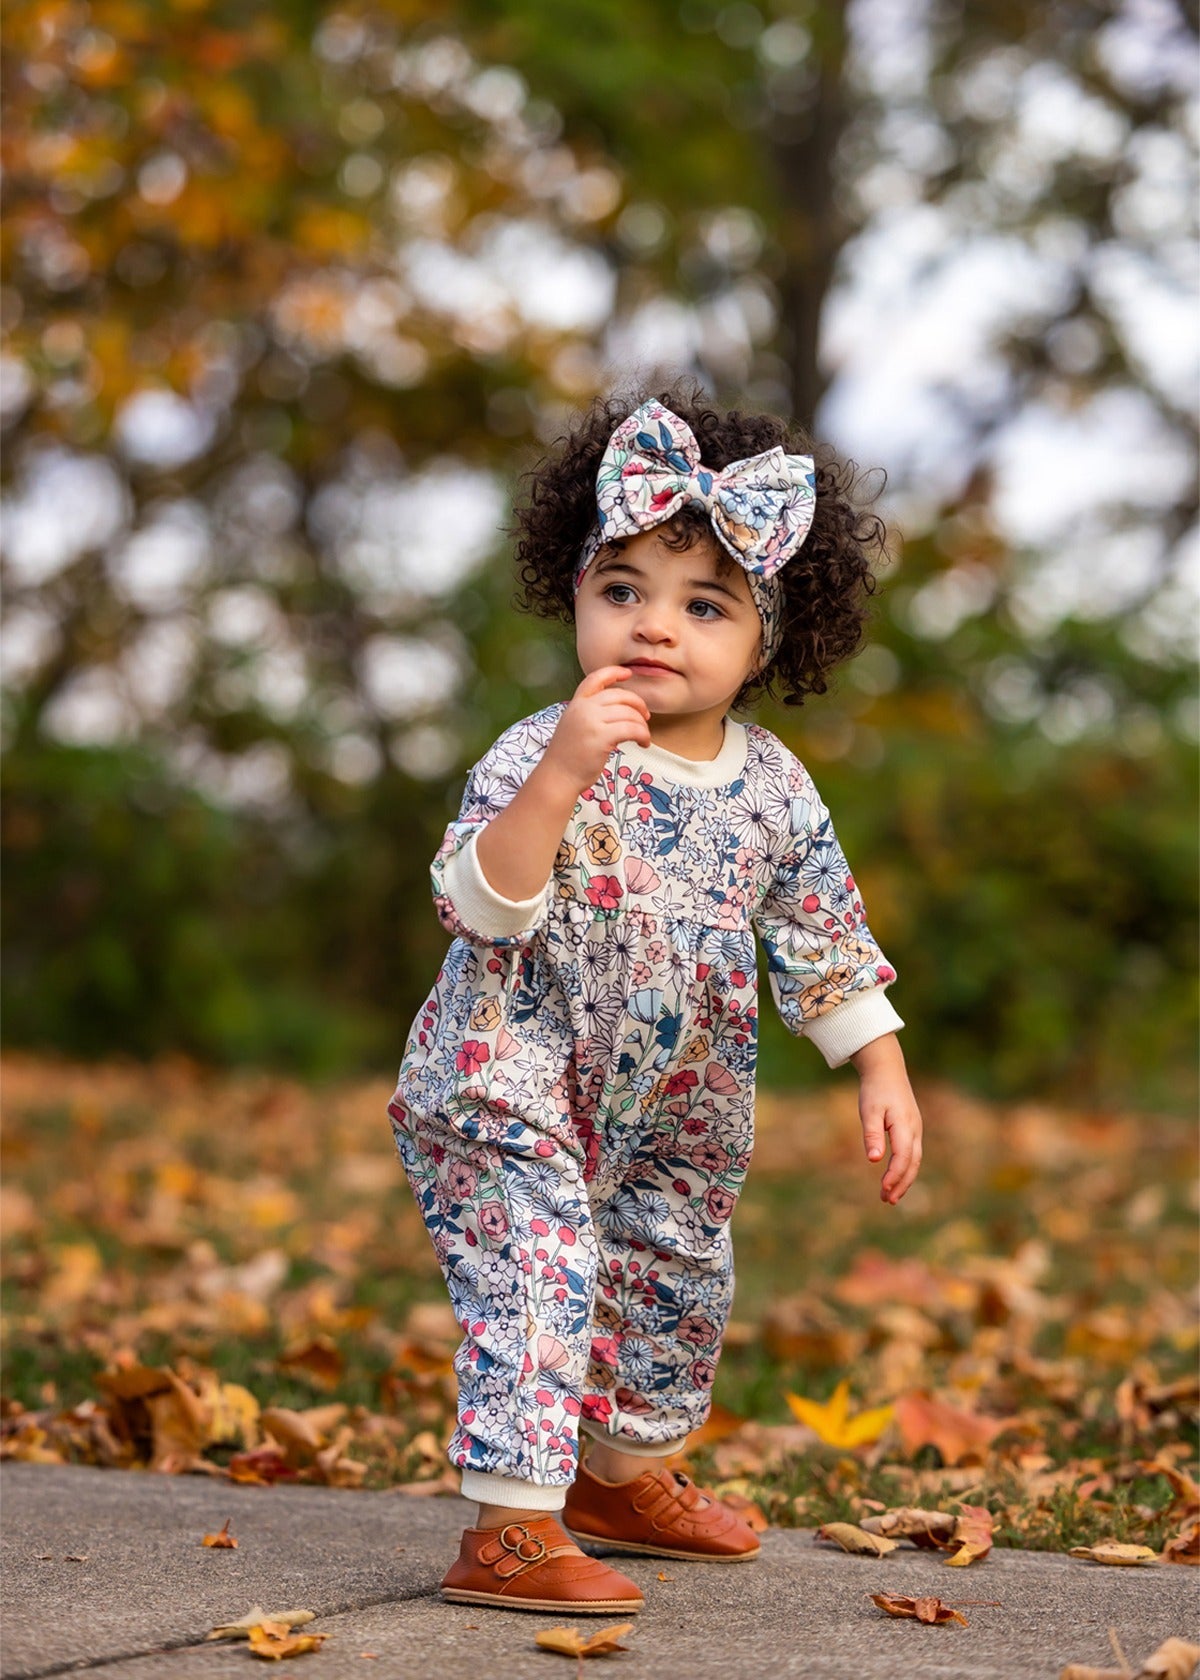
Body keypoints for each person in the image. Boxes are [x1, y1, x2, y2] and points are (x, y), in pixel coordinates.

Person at [387, 385, 923, 1615]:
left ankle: (618, 1479)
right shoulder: (541, 748)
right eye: (621, 588)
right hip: (504, 1072)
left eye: (703, 605)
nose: (654, 626)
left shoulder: (775, 788)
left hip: (678, 1102)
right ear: (573, 594)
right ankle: (509, 1522)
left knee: (672, 1269)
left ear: (765, 642)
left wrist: (878, 1064)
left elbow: (822, 929)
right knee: (544, 1263)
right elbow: (483, 904)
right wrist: (568, 772)